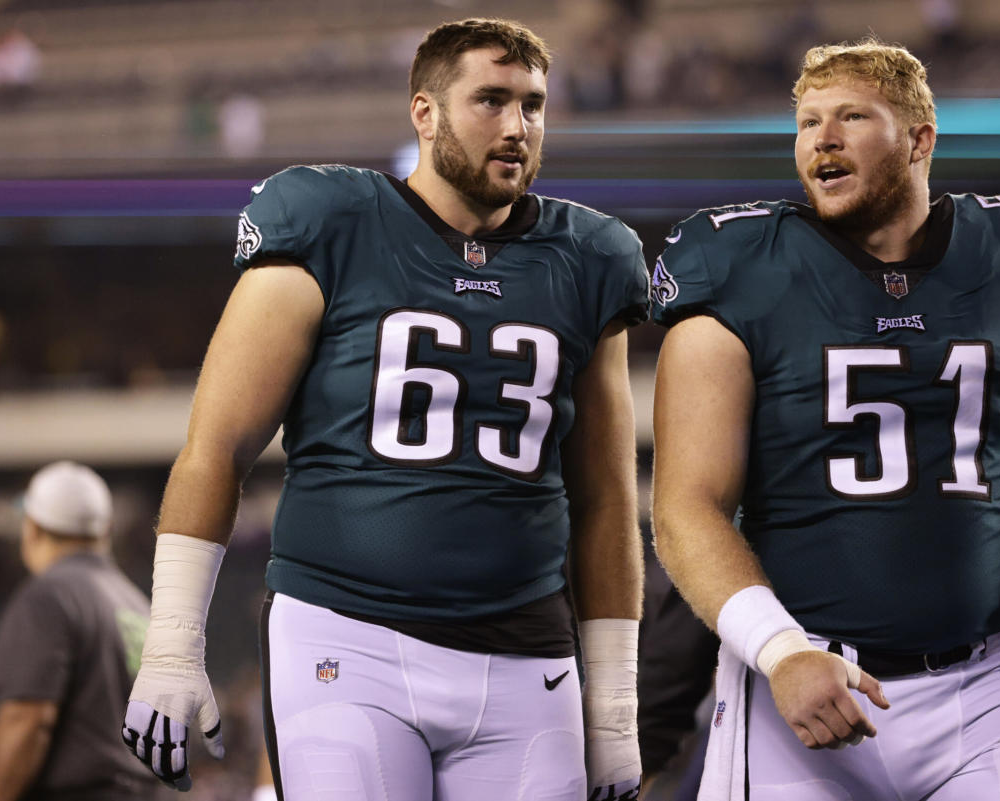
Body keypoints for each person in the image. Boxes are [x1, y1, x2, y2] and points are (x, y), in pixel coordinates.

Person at [121, 17, 647, 801]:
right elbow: (216, 447)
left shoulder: (591, 256)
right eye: (491, 100)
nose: (517, 126)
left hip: (527, 654)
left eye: (533, 104)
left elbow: (606, 498)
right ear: (424, 112)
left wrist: (611, 705)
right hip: (348, 640)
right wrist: (172, 643)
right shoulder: (331, 222)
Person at [649, 37, 1000, 801]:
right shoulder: (744, 268)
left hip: (980, 678)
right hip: (802, 681)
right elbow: (684, 509)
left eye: (851, 116)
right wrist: (780, 652)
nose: (823, 139)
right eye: (808, 122)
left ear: (919, 139)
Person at [0, 461, 162, 801]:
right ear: (105, 530)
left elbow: (26, 719)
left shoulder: (48, 596)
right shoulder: (139, 606)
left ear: (32, 528)